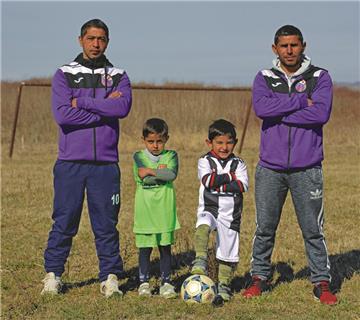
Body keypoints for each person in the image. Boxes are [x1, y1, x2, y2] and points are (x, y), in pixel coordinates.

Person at [242, 25, 337, 305]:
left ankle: (321, 281)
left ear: (303, 45)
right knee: (264, 227)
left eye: (294, 45)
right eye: (284, 46)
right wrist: (298, 102)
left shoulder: (320, 77)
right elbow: (261, 109)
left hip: (307, 168)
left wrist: (280, 113)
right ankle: (259, 277)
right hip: (270, 168)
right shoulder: (264, 77)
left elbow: (320, 113)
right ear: (275, 48)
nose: (289, 50)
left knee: (313, 230)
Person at [41, 19, 132, 298]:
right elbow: (63, 115)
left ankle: (110, 277)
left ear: (108, 41)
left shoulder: (118, 75)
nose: (96, 44)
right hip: (70, 163)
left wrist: (83, 103)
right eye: (91, 38)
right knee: (65, 220)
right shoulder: (64, 74)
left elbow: (122, 107)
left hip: (105, 165)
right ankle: (53, 275)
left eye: (101, 39)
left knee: (106, 223)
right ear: (80, 40)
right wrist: (105, 108)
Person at [191, 119, 249, 304]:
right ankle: (200, 260)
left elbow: (242, 185)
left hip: (231, 213)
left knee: (227, 251)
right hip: (209, 207)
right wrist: (229, 178)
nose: (224, 147)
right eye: (219, 142)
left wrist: (219, 182)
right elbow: (207, 181)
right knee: (203, 225)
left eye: (229, 142)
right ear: (210, 143)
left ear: (235, 142)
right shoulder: (204, 160)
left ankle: (224, 286)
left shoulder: (239, 163)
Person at [133, 118, 180, 299]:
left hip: (164, 212)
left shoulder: (172, 156)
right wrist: (159, 175)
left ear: (166, 139)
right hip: (145, 212)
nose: (155, 145)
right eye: (151, 141)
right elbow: (142, 179)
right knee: (145, 249)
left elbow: (171, 174)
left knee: (165, 247)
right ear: (143, 140)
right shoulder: (138, 157)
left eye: (159, 141)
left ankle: (166, 282)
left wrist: (151, 171)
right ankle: (144, 282)